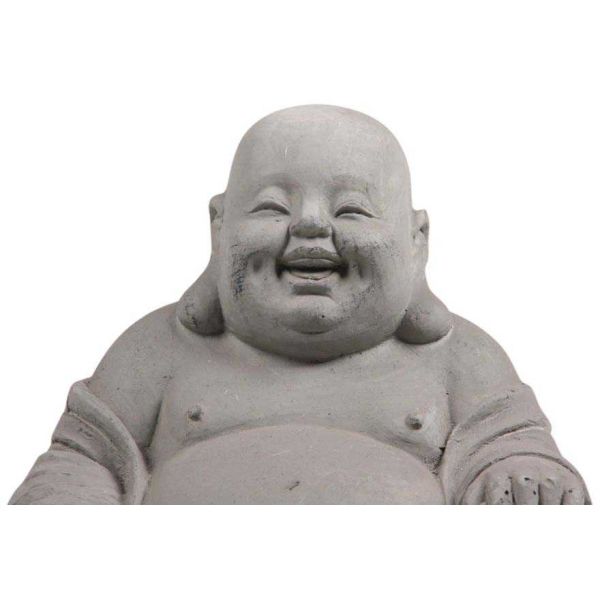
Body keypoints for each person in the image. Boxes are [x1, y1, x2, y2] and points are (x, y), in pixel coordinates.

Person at [10, 105, 590, 504]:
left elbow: (513, 445)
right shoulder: (159, 350)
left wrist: (518, 470)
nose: (311, 225)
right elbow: (84, 457)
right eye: (271, 207)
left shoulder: (458, 360)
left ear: (416, 241)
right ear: (218, 228)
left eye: (352, 210)